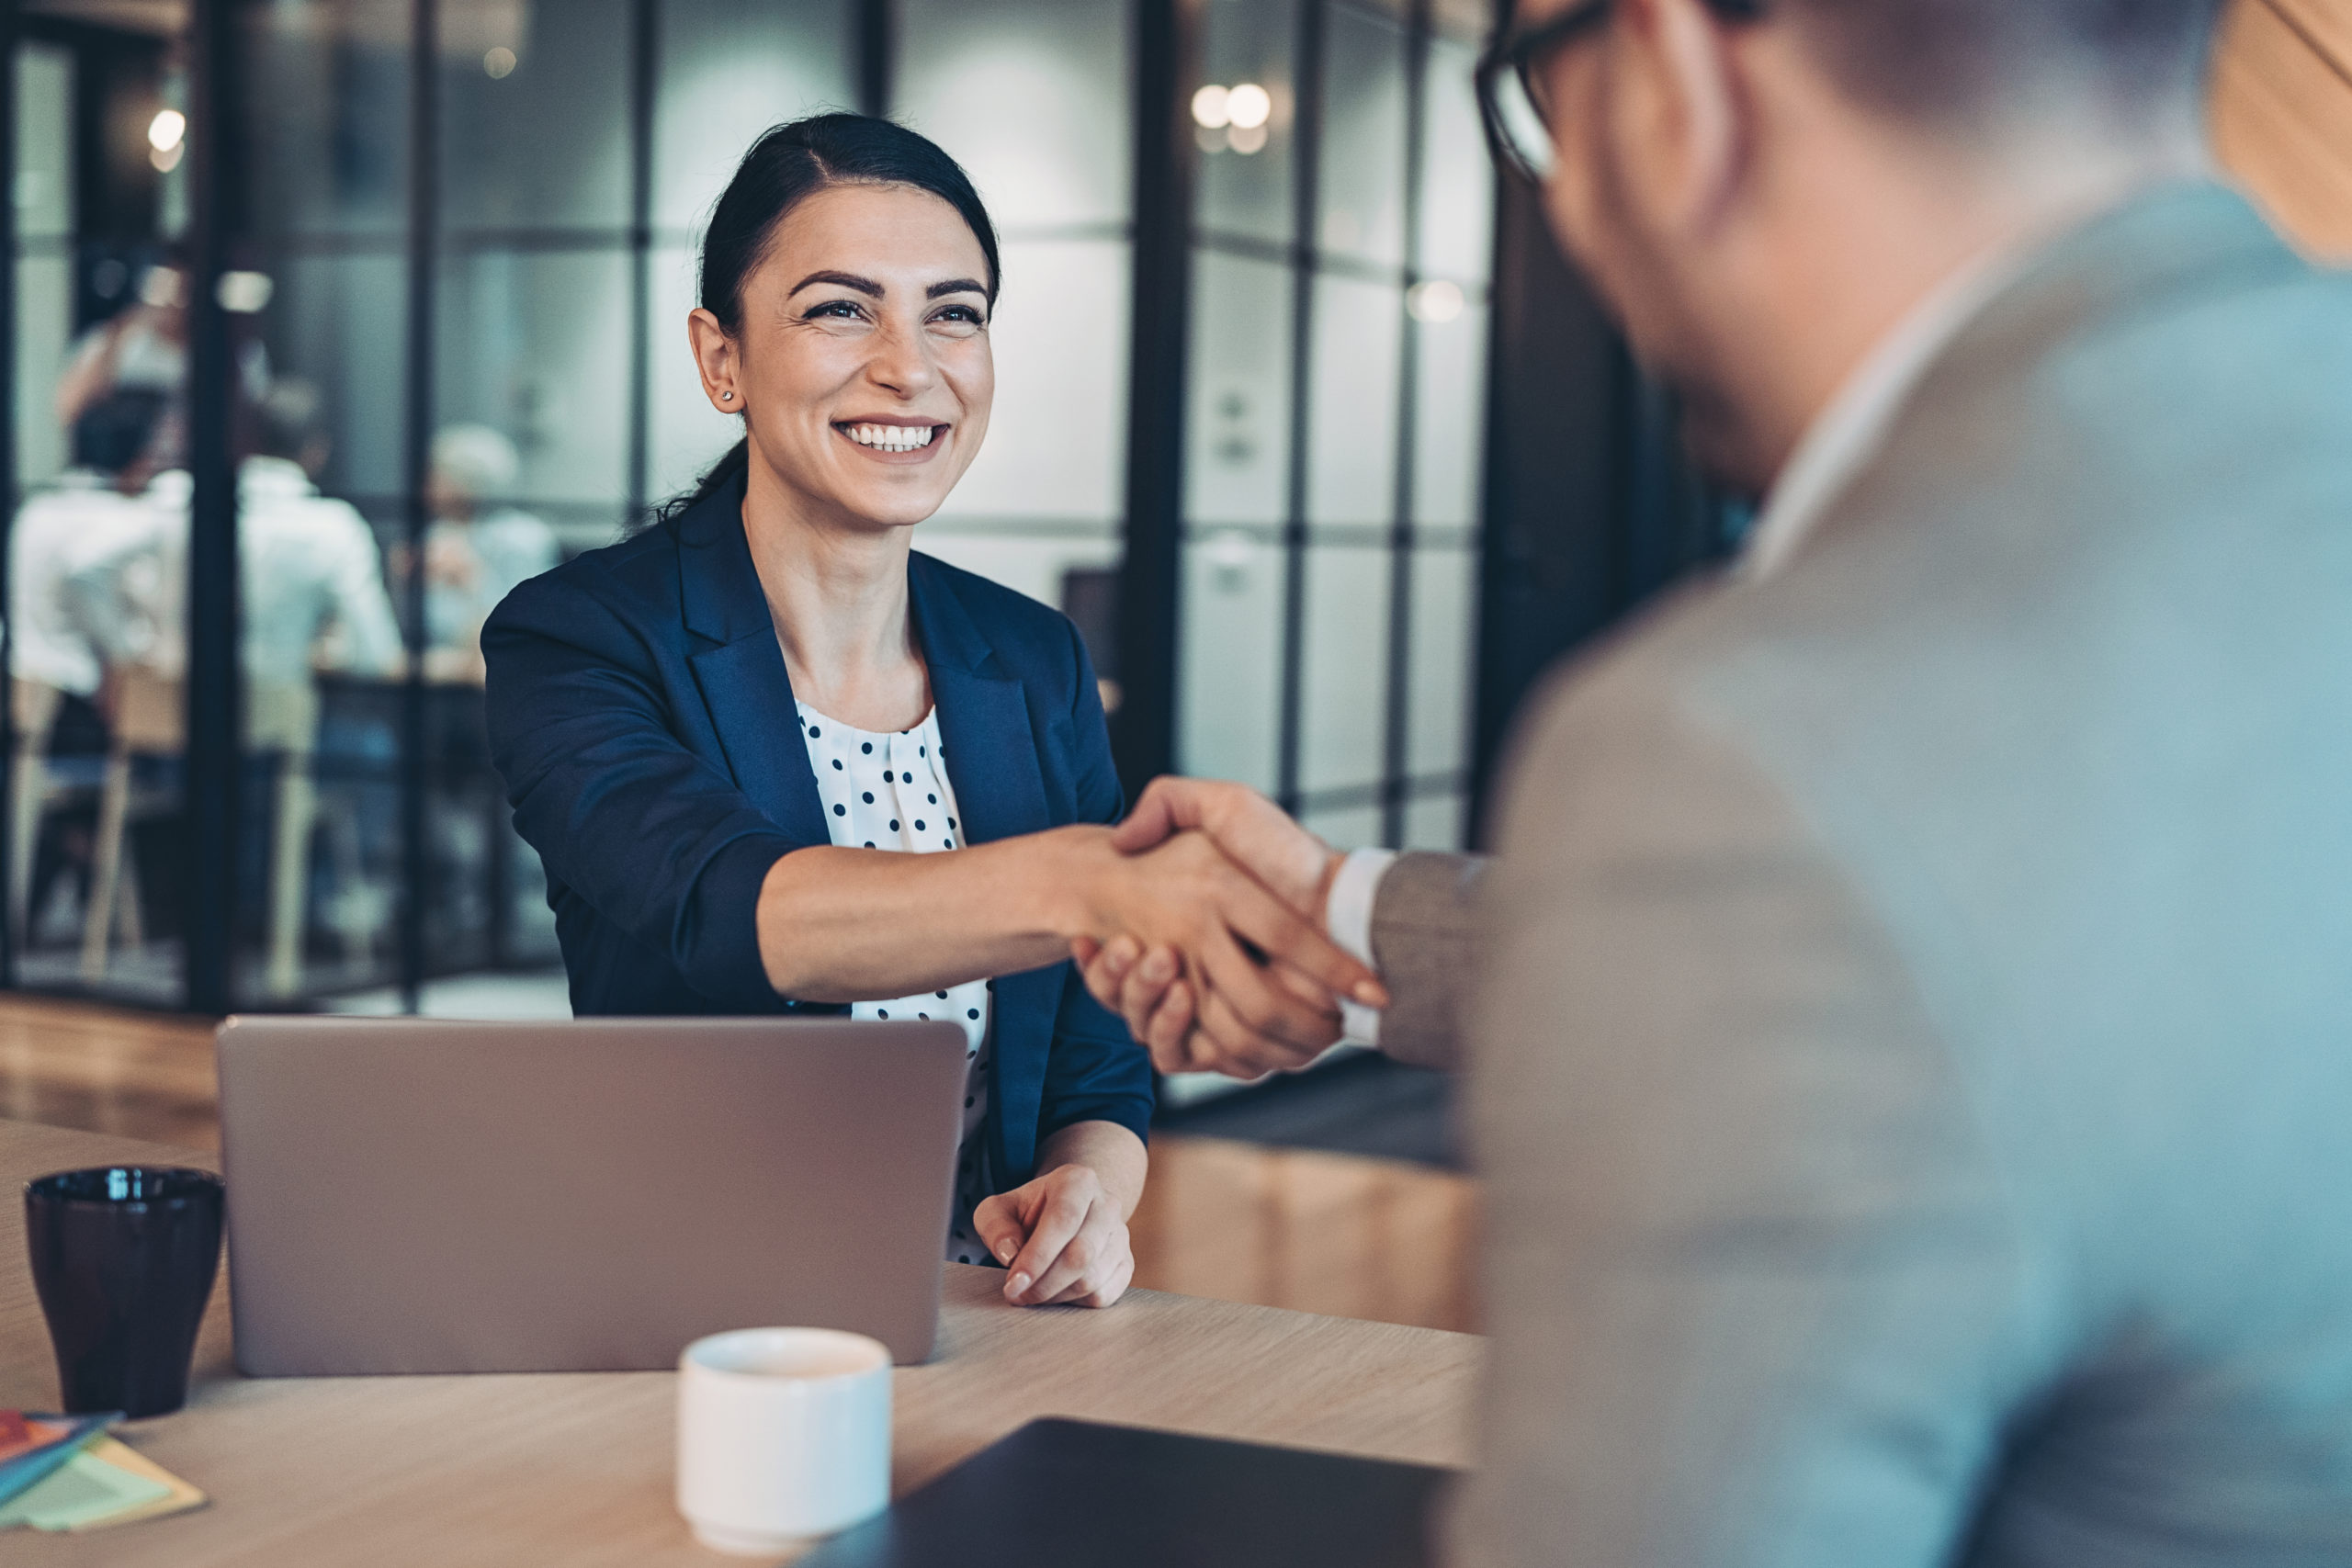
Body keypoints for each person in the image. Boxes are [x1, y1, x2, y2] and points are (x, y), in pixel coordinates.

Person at [1081, 0, 2352, 1561]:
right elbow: (2106, 931)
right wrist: (1339, 917)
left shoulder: (1746, 755)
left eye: (1537, 102)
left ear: (1676, 78)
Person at [481, 116, 1381, 1311]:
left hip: (984, 1320)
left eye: (954, 311)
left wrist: (1087, 1192)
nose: (910, 364)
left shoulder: (1033, 655)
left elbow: (1095, 1057)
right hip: (694, 1315)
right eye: (840, 308)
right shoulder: (578, 635)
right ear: (722, 359)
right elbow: (728, 904)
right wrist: (1089, 881)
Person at [70, 378, 403, 687]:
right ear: (317, 451)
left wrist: (132, 651)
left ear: (242, 440)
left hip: (171, 719)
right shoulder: (335, 526)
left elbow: (82, 567)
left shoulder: (180, 497)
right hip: (275, 733)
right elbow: (374, 655)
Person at [413, 424, 559, 674]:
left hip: (503, 675)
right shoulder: (437, 534)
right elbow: (424, 626)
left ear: (467, 482)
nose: (424, 487)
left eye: (435, 476)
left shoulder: (523, 537)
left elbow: (526, 625)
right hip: (439, 673)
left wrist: (472, 581)